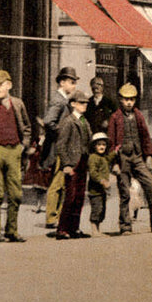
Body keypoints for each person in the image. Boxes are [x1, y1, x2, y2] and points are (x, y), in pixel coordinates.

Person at [0, 71, 32, 242]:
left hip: (14, 151)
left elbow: (27, 127)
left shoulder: (18, 104)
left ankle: (12, 231)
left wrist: (23, 145)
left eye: (0, 85)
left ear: (9, 85)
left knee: (16, 194)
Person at [108, 84, 152, 235]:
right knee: (125, 192)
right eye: (126, 99)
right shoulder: (115, 118)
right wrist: (114, 163)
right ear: (120, 99)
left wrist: (149, 156)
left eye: (132, 99)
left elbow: (145, 137)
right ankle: (125, 226)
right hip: (122, 159)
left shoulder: (139, 115)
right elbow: (111, 142)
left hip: (137, 157)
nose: (129, 102)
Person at [39, 66, 79, 230]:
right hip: (58, 148)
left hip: (60, 147)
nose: (74, 85)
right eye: (71, 82)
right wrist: (62, 132)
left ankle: (56, 216)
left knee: (61, 182)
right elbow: (48, 121)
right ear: (62, 83)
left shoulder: (62, 99)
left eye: (74, 82)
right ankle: (51, 217)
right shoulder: (58, 100)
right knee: (57, 182)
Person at [53, 89, 92, 240]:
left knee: (80, 196)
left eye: (86, 103)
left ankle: (74, 227)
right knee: (70, 196)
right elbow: (61, 145)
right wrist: (66, 164)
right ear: (73, 104)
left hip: (83, 161)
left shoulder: (84, 121)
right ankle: (62, 229)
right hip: (72, 163)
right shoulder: (68, 122)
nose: (85, 105)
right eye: (81, 103)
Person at [86, 133, 115, 235]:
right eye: (99, 145)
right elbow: (93, 173)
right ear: (94, 146)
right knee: (97, 209)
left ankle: (98, 229)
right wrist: (102, 181)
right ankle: (94, 230)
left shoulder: (103, 157)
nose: (102, 147)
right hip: (95, 190)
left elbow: (108, 159)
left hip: (102, 190)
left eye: (104, 145)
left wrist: (115, 152)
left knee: (102, 210)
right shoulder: (93, 157)